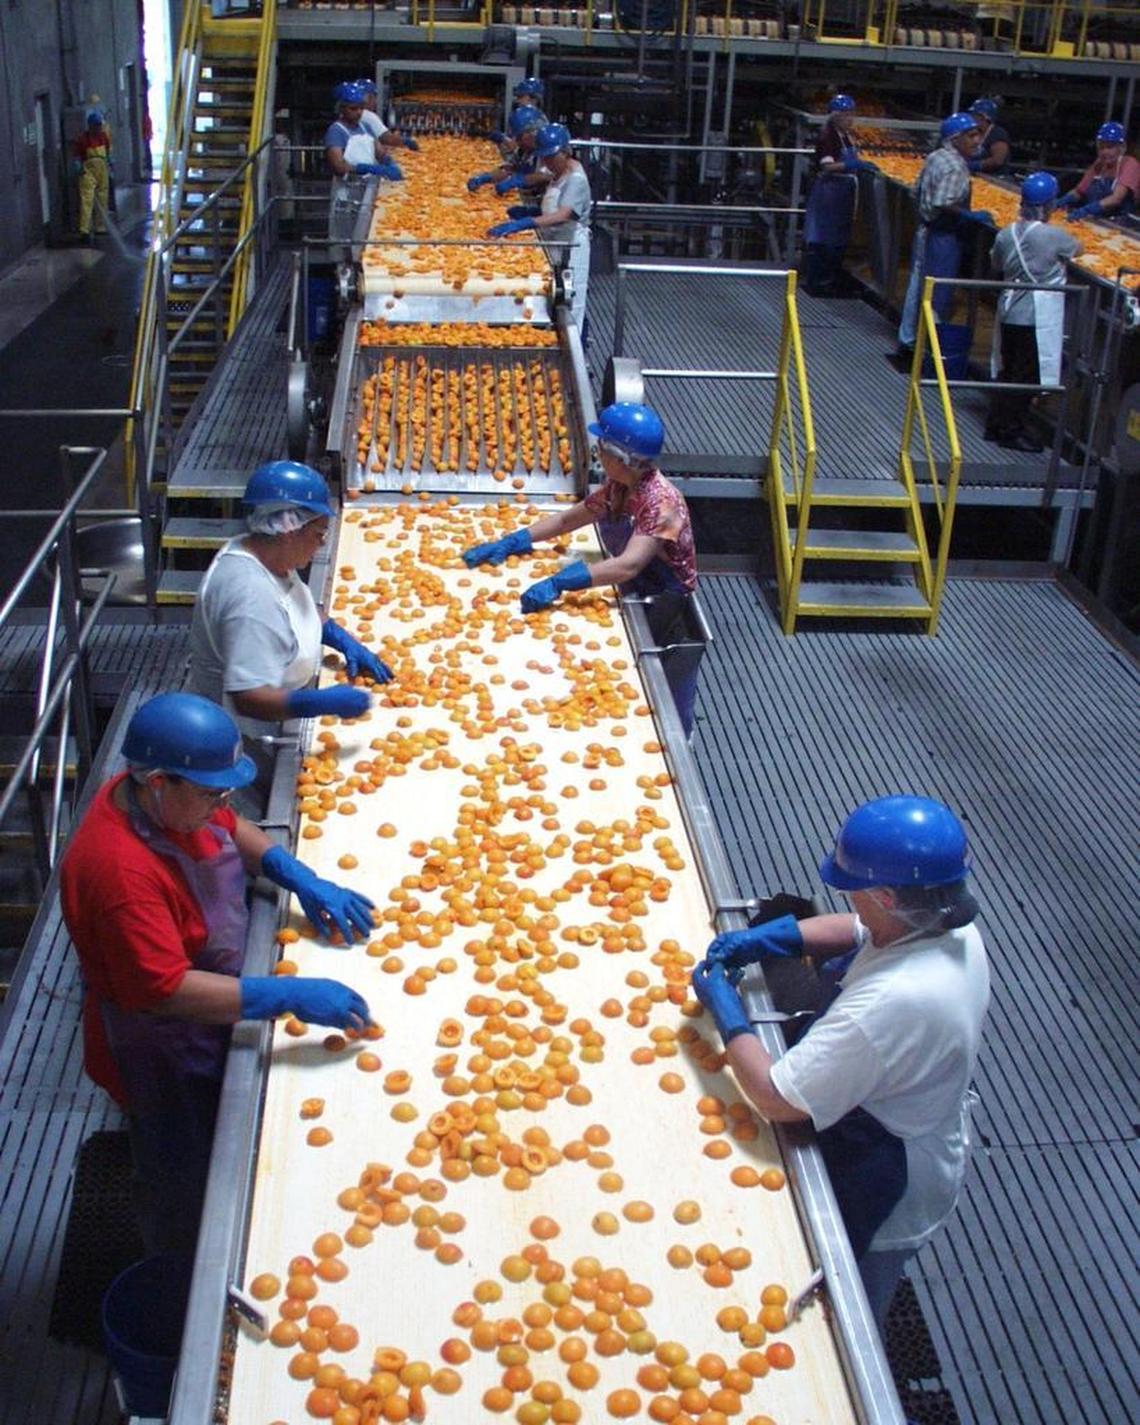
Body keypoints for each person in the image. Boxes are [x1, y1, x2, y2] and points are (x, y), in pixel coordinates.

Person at [60, 693, 375, 1254]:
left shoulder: (158, 799)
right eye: (210, 792)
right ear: (159, 781)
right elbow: (165, 990)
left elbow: (232, 825)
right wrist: (286, 994)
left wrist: (293, 872)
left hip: (213, 991)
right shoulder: (120, 874)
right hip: (163, 1045)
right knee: (179, 1170)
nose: (221, 803)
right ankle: (178, 1272)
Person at [690, 795, 990, 1330]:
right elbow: (857, 929)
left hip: (886, 1167)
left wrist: (728, 1014)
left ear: (886, 895)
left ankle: (864, 1340)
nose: (847, 898)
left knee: (852, 1296)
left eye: (854, 889)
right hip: (917, 1102)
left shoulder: (889, 1005)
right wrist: (769, 938)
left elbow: (776, 1098)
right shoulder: (947, 923)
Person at [461, 402, 702, 735]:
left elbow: (629, 565)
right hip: (630, 580)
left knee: (645, 675)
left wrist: (562, 582)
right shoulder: (620, 487)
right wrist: (514, 540)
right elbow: (569, 519)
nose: (598, 453)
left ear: (623, 458)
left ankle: (675, 734)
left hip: (660, 595)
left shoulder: (662, 504)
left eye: (602, 447)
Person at [188, 461, 392, 797]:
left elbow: (295, 606)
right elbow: (249, 698)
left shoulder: (261, 552)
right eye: (318, 534)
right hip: (249, 737)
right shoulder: (250, 600)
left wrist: (342, 639)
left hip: (275, 709)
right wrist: (320, 703)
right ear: (287, 528)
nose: (322, 544)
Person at [985, 172, 1081, 453]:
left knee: (1007, 369)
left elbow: (996, 263)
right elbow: (1078, 248)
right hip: (1035, 316)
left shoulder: (1006, 233)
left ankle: (996, 422)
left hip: (1009, 311)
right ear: (1049, 205)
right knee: (1026, 375)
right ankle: (1012, 430)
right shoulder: (1053, 236)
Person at [896, 112, 993, 362]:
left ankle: (909, 339)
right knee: (936, 291)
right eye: (971, 136)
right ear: (955, 139)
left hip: (925, 229)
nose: (977, 141)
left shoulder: (935, 157)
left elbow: (914, 191)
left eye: (977, 135)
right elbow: (942, 201)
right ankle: (928, 346)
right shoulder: (955, 167)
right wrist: (969, 215)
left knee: (918, 287)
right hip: (942, 235)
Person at [488, 122, 592, 331]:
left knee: (569, 301)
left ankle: (572, 344)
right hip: (553, 241)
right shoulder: (560, 173)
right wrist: (532, 212)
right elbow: (554, 208)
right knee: (551, 293)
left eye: (551, 157)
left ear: (565, 151)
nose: (547, 161)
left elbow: (563, 214)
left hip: (571, 246)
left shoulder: (576, 179)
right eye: (544, 157)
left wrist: (526, 223)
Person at [802, 94, 879, 298]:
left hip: (842, 192)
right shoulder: (828, 136)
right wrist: (851, 165)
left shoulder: (845, 136)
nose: (849, 118)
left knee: (836, 238)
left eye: (851, 114)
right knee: (823, 237)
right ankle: (818, 282)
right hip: (829, 192)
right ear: (834, 116)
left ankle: (829, 279)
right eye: (845, 114)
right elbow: (827, 166)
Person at [325, 81, 403, 248]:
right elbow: (338, 165)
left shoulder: (364, 126)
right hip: (347, 193)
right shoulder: (336, 131)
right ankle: (344, 270)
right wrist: (368, 168)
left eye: (360, 108)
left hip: (367, 189)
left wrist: (389, 162)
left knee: (364, 235)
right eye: (353, 109)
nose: (359, 112)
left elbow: (379, 151)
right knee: (345, 239)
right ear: (341, 109)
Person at [1057, 121, 1140, 223]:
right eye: (1101, 147)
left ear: (1122, 147)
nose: (1105, 152)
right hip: (1095, 220)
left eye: (1110, 147)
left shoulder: (1130, 164)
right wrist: (1062, 200)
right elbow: (1079, 191)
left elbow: (1116, 198)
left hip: (1119, 224)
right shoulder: (1099, 164)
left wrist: (1087, 209)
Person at [466, 106, 547, 196]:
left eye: (519, 137)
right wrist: (484, 178)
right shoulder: (524, 151)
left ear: (533, 133)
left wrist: (518, 181)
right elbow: (509, 169)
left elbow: (545, 176)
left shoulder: (548, 150)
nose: (517, 142)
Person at [73, 109, 112, 244]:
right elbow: (77, 155)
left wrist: (111, 164)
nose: (99, 128)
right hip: (88, 172)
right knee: (87, 200)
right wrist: (78, 167)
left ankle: (99, 226)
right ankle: (84, 230)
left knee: (103, 198)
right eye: (97, 125)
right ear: (91, 126)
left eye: (100, 125)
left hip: (102, 170)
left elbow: (108, 152)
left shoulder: (103, 137)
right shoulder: (82, 139)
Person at [355, 78, 419, 154]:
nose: (375, 102)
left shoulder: (346, 116)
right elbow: (388, 139)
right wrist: (409, 141)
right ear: (368, 98)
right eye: (374, 97)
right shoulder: (368, 116)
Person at [966, 98, 1011, 176]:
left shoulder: (997, 133)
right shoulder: (976, 132)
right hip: (979, 177)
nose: (971, 117)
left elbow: (998, 160)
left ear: (983, 117)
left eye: (974, 115)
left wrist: (976, 165)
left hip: (996, 180)